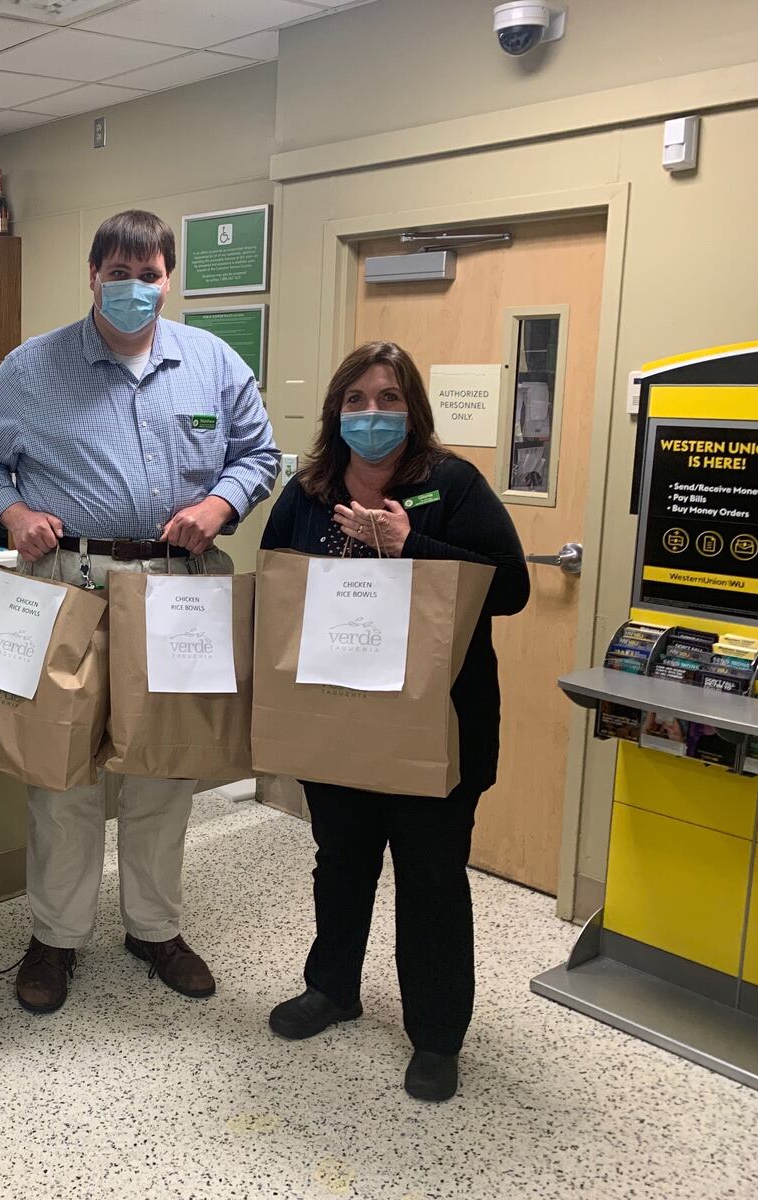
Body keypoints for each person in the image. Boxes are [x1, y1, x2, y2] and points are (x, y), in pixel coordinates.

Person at [0, 210, 280, 1015]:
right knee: (60, 771)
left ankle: (153, 927)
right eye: (118, 272)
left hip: (179, 586)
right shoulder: (36, 367)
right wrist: (12, 512)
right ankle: (55, 938)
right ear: (92, 275)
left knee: (166, 768)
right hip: (73, 583)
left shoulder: (211, 362)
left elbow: (261, 453)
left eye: (149, 273)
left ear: (169, 278)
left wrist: (221, 502)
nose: (134, 288)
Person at [258, 340, 529, 1103]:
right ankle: (332, 989)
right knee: (340, 862)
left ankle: (437, 1035)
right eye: (356, 401)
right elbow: (278, 593)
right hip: (335, 719)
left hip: (436, 726)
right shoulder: (308, 492)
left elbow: (510, 590)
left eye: (387, 399)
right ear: (335, 412)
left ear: (412, 408)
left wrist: (416, 547)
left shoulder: (451, 486)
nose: (371, 415)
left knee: (431, 877)